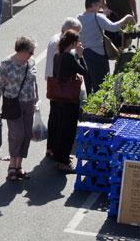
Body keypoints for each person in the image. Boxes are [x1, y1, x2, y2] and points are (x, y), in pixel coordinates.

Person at [0, 37, 39, 182]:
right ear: (22, 51)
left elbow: (34, 82)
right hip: (13, 104)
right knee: (17, 134)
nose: (32, 54)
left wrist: (37, 98)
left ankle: (19, 165)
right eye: (30, 52)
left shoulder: (31, 62)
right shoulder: (6, 65)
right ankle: (11, 165)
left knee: (27, 134)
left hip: (29, 103)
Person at [77, 0, 133, 95]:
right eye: (99, 6)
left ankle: (94, 100)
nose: (100, 9)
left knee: (93, 78)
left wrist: (104, 15)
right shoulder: (97, 17)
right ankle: (103, 101)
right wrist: (127, 17)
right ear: (92, 6)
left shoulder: (79, 18)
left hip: (86, 53)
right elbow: (114, 27)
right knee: (103, 80)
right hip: (98, 53)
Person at [48, 31, 87, 173]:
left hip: (58, 97)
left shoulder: (57, 56)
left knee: (59, 129)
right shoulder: (70, 57)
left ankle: (59, 158)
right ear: (73, 43)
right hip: (69, 99)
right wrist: (81, 56)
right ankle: (64, 162)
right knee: (68, 131)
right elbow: (85, 72)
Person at [45, 17, 82, 161]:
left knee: (54, 119)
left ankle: (52, 148)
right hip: (62, 88)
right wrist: (80, 56)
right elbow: (82, 70)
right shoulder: (65, 52)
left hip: (54, 85)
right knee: (62, 123)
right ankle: (59, 153)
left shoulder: (56, 41)